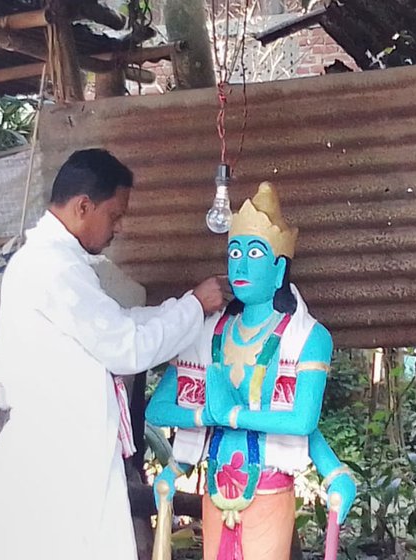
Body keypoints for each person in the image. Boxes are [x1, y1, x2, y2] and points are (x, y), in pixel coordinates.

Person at [0, 149, 229, 560]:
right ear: (83, 206)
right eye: (115, 215)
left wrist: (185, 307)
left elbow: (116, 323)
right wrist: (194, 306)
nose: (119, 227)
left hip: (60, 452)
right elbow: (128, 347)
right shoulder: (55, 269)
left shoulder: (53, 263)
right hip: (57, 458)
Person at [146, 182, 356, 560]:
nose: (240, 265)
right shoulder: (210, 333)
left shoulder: (307, 338)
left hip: (269, 492)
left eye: (254, 253)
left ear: (279, 270)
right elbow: (157, 409)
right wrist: (198, 423)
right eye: (234, 253)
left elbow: (302, 421)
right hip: (216, 485)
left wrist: (334, 472)